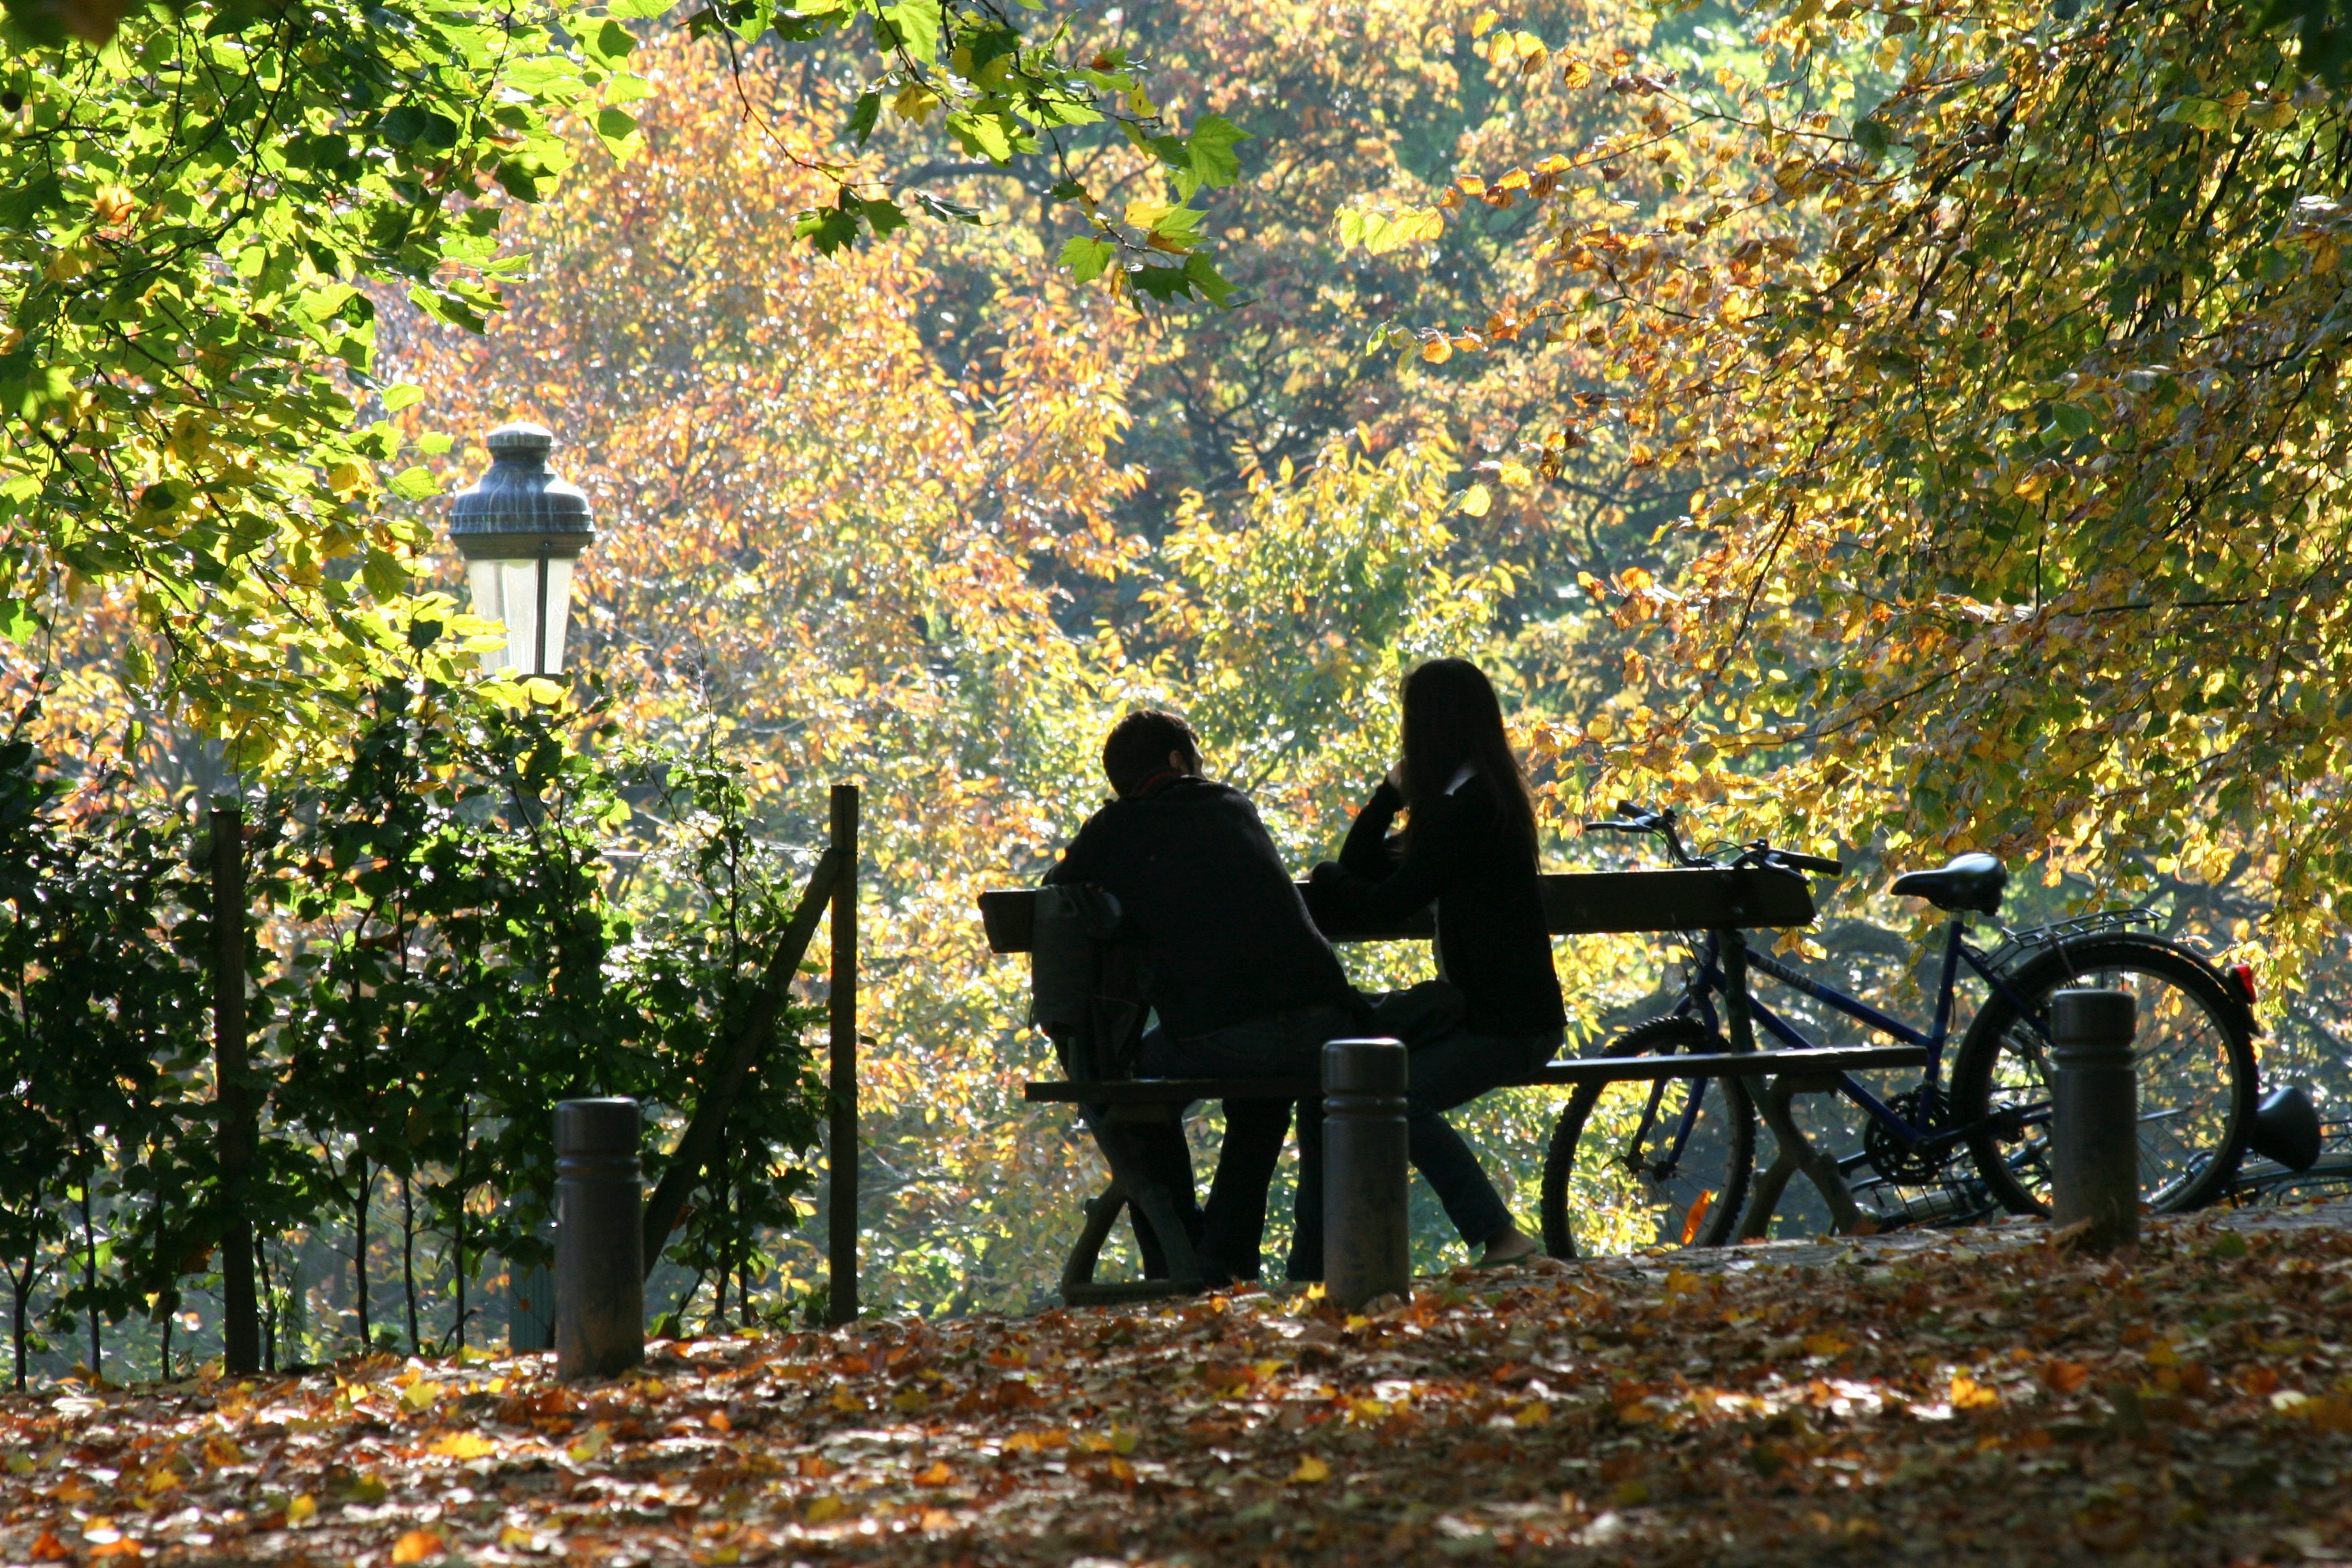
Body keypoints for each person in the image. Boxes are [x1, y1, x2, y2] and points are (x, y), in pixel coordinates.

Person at [1045, 709, 1363, 1282]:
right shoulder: (1232, 806)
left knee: (1132, 1087)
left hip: (1230, 1035)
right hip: (1325, 1023)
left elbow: (1055, 889)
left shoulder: (1114, 828)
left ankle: (1180, 1256)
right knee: (1262, 1098)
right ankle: (1222, 1256)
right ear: (1176, 762)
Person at [1301, 657, 1563, 1270]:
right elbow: (1367, 862)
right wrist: (1390, 796)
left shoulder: (1466, 808)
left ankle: (1501, 1237)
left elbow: (1384, 901)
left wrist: (1322, 877)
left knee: (1390, 1098)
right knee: (1325, 1098)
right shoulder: (1473, 797)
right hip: (1484, 1014)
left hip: (1509, 1026)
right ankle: (1312, 1270)